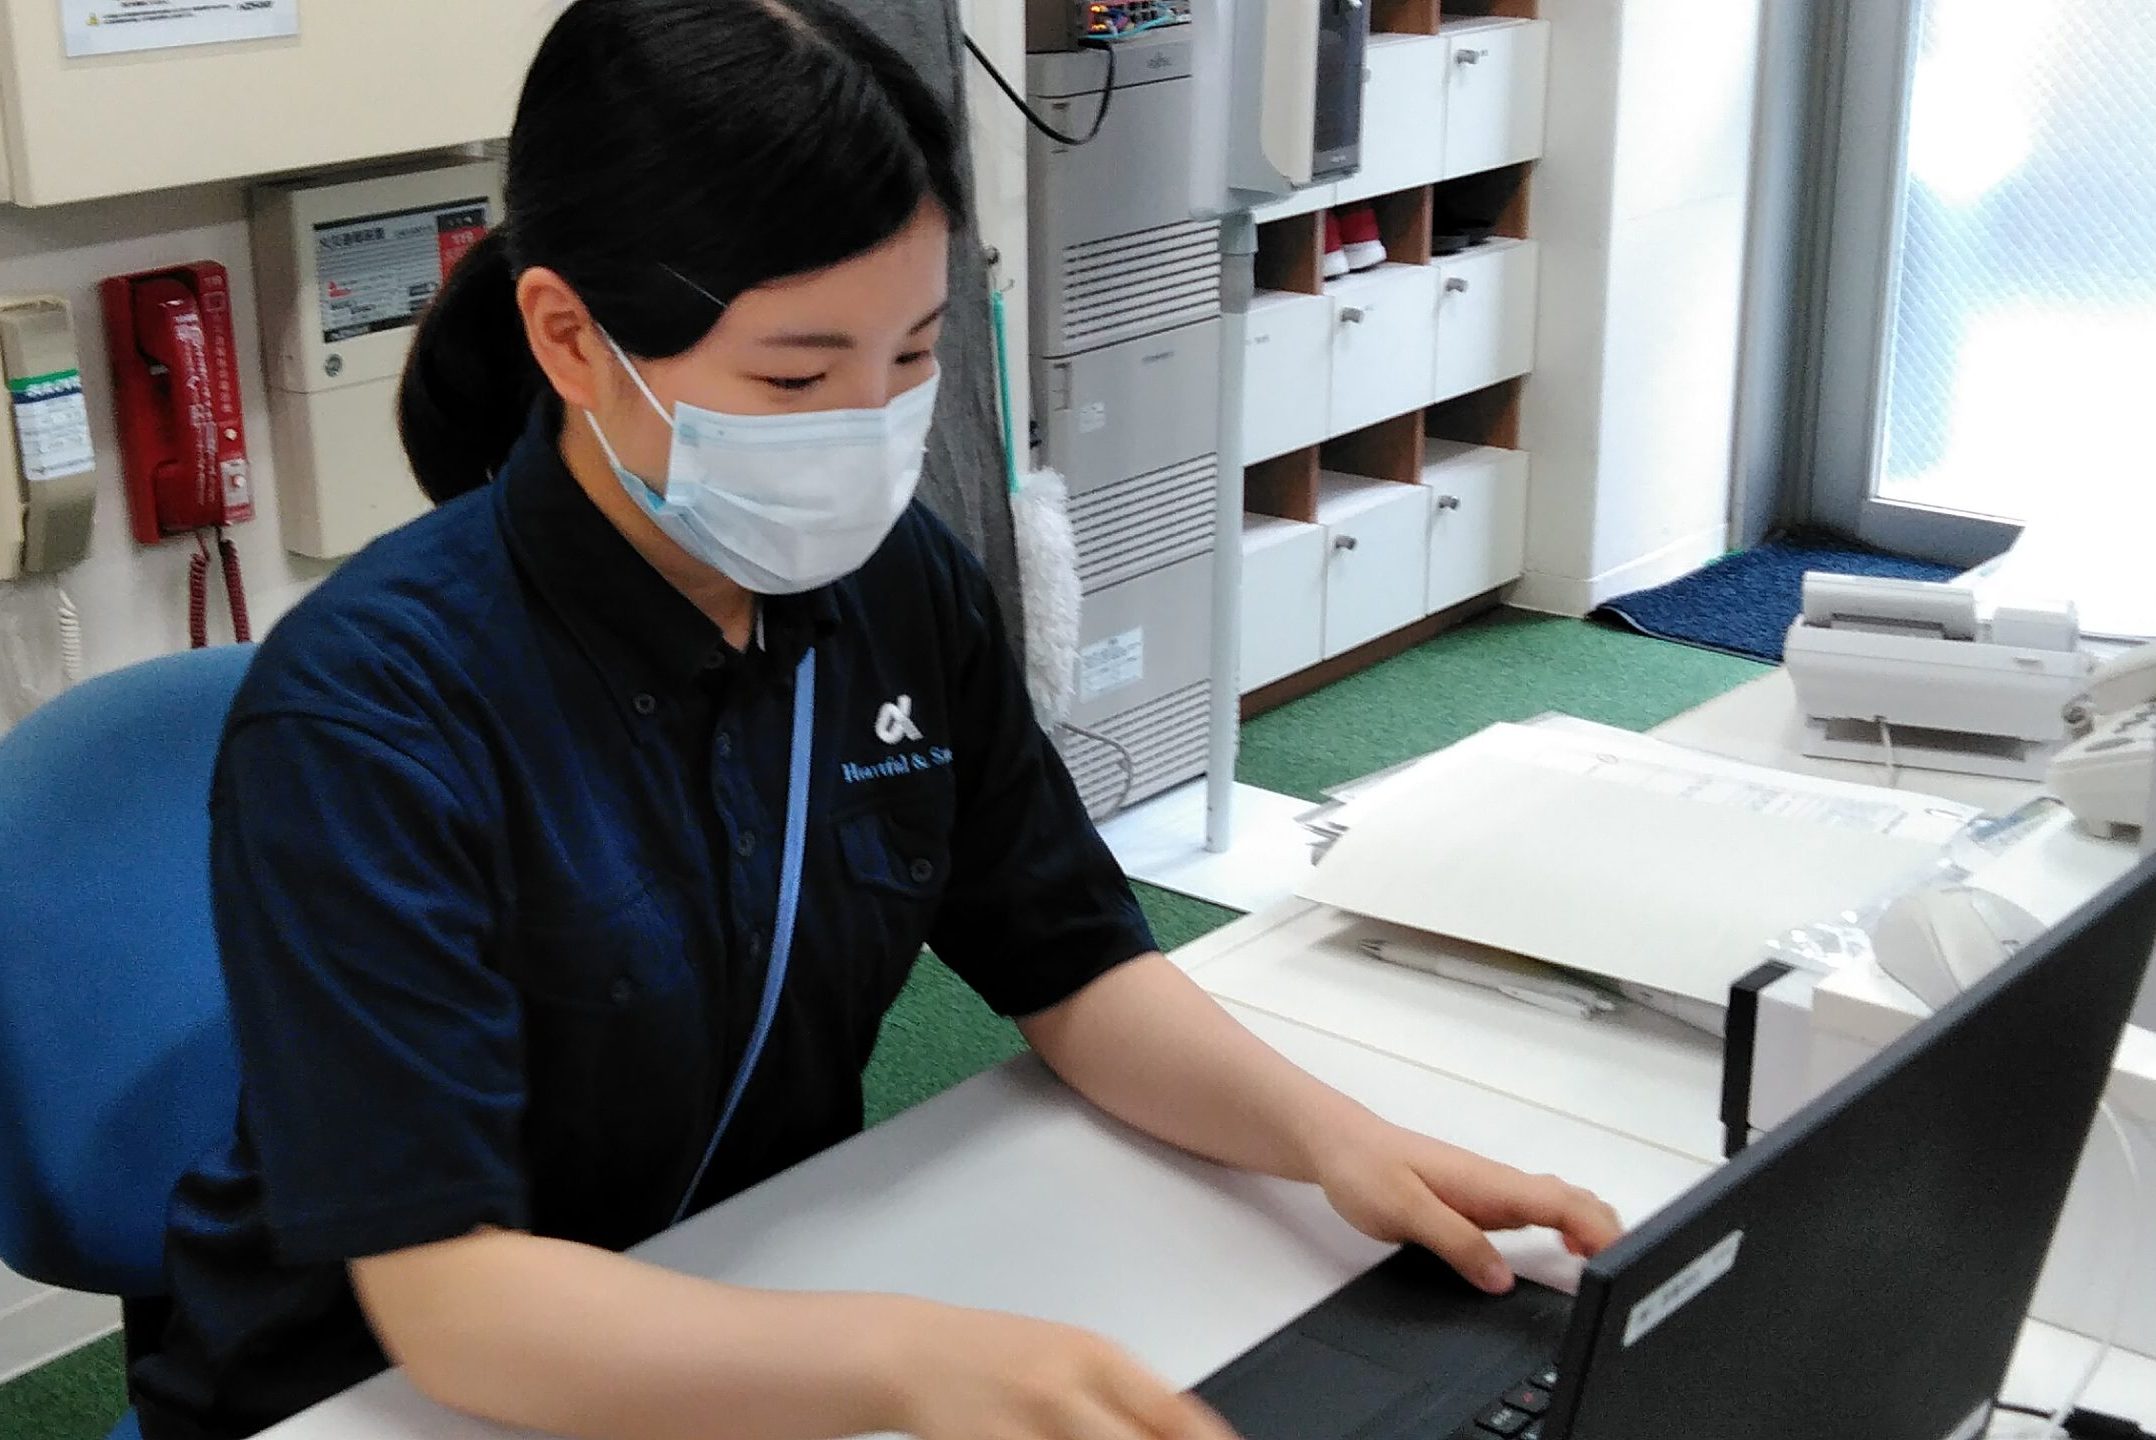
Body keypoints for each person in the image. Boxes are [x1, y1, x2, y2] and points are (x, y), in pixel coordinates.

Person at [129, 2, 1622, 1436]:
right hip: (385, 1391)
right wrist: (914, 1362)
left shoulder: (897, 583)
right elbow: (453, 1303)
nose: (867, 428)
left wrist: (1333, 1143)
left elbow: (1072, 963)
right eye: (796, 375)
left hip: (755, 1300)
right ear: (571, 340)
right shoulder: (372, 711)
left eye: (911, 357)